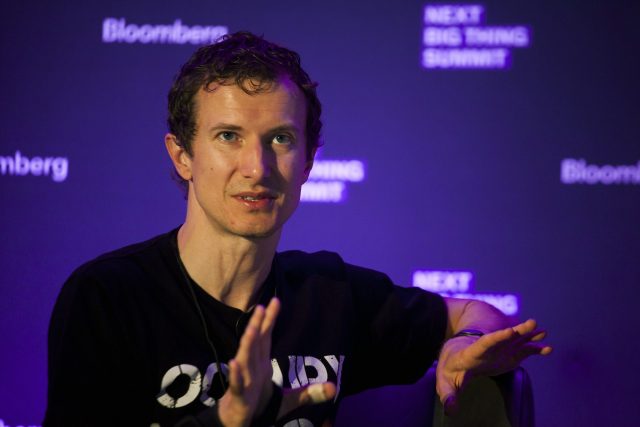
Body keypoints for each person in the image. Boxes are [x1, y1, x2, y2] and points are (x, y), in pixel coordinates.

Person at [44, 31, 551, 427]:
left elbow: (475, 312)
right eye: (228, 136)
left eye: (281, 139)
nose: (257, 166)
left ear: (308, 162)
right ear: (183, 156)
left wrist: (463, 343)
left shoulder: (329, 293)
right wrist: (228, 419)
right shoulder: (109, 298)